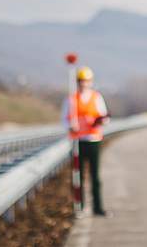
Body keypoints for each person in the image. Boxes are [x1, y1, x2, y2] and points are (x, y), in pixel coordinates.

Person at [63, 66, 109, 216]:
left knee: (95, 176)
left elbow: (104, 117)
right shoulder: (72, 99)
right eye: (81, 81)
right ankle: (79, 206)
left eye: (86, 81)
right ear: (78, 82)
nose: (84, 83)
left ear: (91, 82)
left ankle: (98, 207)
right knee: (78, 175)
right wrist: (71, 126)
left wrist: (100, 121)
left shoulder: (97, 97)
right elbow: (64, 120)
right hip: (78, 142)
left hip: (94, 140)